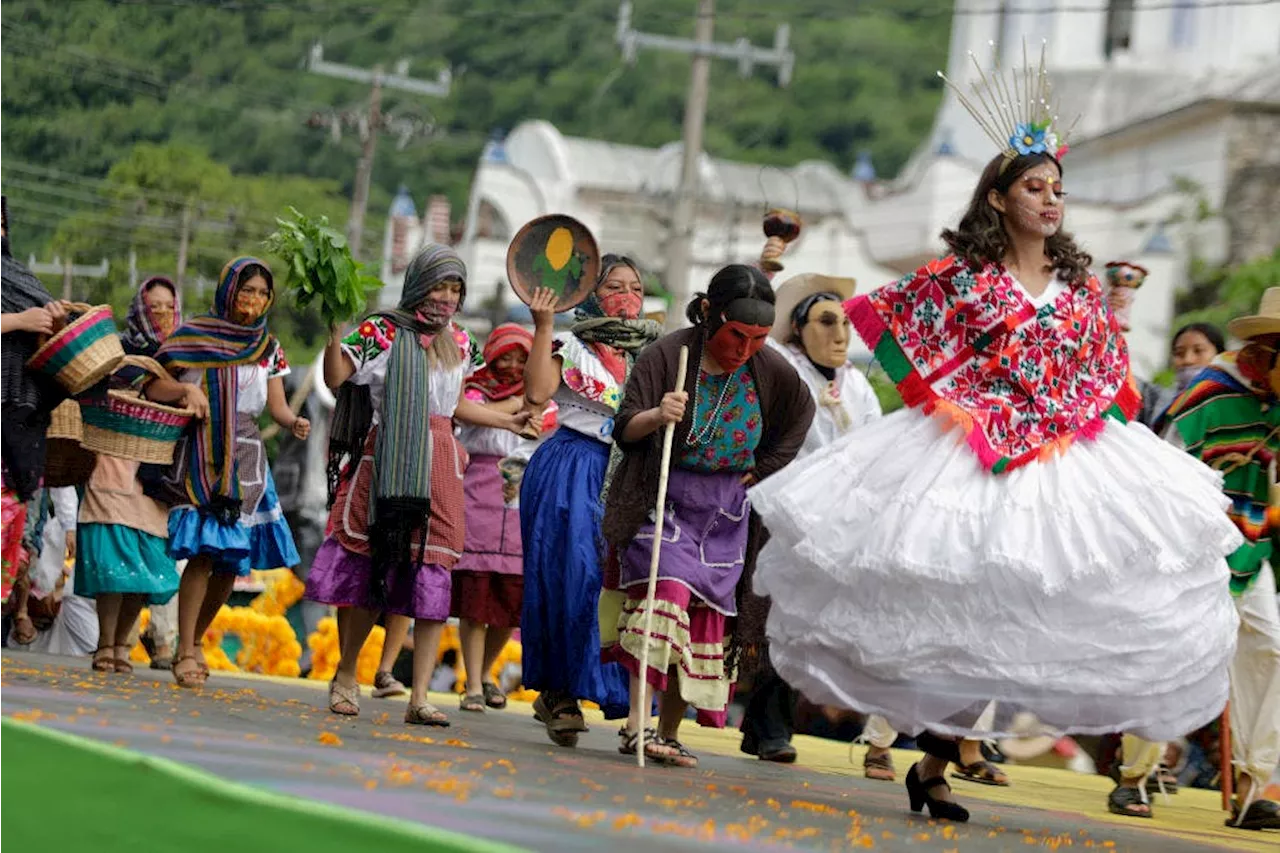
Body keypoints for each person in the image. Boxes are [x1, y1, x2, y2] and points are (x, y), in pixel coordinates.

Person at [744, 57, 1240, 822]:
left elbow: (1105, 371)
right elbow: (897, 314)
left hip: (1064, 458)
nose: (1050, 200)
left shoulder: (1077, 293)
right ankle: (929, 758)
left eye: (1057, 189)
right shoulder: (964, 277)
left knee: (1030, 616)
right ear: (1000, 196)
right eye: (1035, 187)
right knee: (965, 615)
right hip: (973, 451)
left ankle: (941, 761)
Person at [305, 244, 529, 727]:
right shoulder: (382, 331)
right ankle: (347, 676)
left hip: (442, 463)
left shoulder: (461, 342)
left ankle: (421, 697)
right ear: (417, 285)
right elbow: (340, 377)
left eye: (455, 288)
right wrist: (333, 333)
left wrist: (507, 423)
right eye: (440, 285)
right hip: (388, 458)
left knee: (433, 576)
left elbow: (453, 408)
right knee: (373, 569)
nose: (446, 296)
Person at [601, 264, 814, 768]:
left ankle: (669, 732)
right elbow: (624, 427)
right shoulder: (668, 354)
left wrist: (763, 469)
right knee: (665, 595)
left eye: (758, 338)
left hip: (726, 516)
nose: (745, 349)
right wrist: (658, 415)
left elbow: (798, 417)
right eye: (737, 335)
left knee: (701, 621)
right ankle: (637, 725)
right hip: (667, 502)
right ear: (709, 315)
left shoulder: (771, 370)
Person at [1118, 295, 1280, 830]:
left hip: (1251, 542)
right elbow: (1160, 467)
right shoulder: (1211, 391)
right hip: (1189, 540)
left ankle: (1257, 785)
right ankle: (1133, 777)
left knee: (1270, 648)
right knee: (1169, 651)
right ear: (1268, 351)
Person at [731, 273, 881, 766]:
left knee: (807, 626)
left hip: (836, 521)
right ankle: (766, 727)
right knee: (774, 618)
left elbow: (875, 445)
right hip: (784, 512)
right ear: (798, 329)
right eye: (826, 322)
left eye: (847, 323)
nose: (841, 334)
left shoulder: (857, 383)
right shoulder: (783, 368)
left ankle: (766, 726)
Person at [143, 257, 309, 688]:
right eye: (246, 290)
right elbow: (152, 385)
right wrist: (185, 390)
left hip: (248, 459)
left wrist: (292, 421)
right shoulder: (194, 336)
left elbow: (276, 405)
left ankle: (196, 640)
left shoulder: (268, 346)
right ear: (227, 291)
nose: (253, 300)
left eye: (261, 293)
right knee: (202, 552)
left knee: (231, 562)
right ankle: (184, 650)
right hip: (203, 451)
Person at [519, 254, 662, 747]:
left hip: (632, 474)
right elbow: (537, 393)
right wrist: (542, 325)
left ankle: (634, 709)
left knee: (632, 584)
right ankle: (558, 692)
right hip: (574, 467)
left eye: (636, 287)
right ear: (593, 294)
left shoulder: (655, 354)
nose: (627, 296)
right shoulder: (571, 344)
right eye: (615, 286)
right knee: (571, 578)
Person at [74, 277, 183, 673]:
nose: (163, 314)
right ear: (139, 310)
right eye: (154, 307)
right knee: (112, 555)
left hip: (158, 472)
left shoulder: (184, 356)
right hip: (115, 459)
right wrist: (184, 393)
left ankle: (122, 644)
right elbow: (152, 386)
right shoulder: (122, 352)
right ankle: (105, 643)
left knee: (145, 564)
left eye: (169, 307)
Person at [452, 322, 551, 713]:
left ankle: (488, 672)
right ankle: (472, 682)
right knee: (476, 595)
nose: (511, 365)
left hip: (522, 499)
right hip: (478, 495)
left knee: (512, 597)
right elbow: (471, 415)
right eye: (504, 357)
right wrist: (515, 407)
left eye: (520, 358)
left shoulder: (545, 393)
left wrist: (531, 409)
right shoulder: (476, 389)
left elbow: (547, 425)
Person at [0, 198, 70, 643]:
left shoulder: (19, 277)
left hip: (13, 423)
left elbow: (45, 350)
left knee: (11, 531)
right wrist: (21, 319)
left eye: (1, 221)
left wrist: (51, 322)